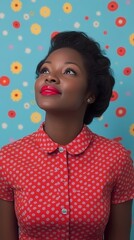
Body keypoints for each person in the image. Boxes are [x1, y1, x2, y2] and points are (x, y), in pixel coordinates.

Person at [0, 31, 134, 240]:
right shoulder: (7, 159)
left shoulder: (117, 159)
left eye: (69, 71)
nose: (50, 77)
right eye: (45, 70)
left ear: (90, 94)